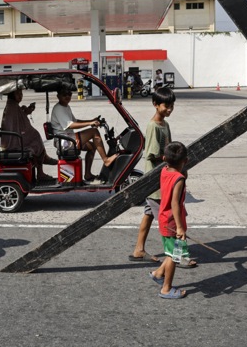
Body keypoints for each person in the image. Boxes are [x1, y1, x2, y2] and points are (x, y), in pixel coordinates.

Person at [129, 87, 196, 267]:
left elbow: (170, 149)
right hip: (157, 181)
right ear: (155, 104)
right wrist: (175, 162)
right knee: (171, 220)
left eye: (171, 106)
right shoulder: (153, 126)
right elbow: (152, 154)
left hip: (161, 179)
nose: (169, 109)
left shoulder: (165, 124)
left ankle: (139, 249)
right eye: (166, 106)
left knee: (149, 214)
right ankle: (178, 256)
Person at [148, 141, 190, 299]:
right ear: (185, 160)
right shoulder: (179, 179)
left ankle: (158, 273)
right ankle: (166, 288)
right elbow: (175, 203)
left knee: (172, 252)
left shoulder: (164, 170)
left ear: (164, 158)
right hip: (173, 223)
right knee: (174, 256)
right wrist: (179, 227)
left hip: (165, 219)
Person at [50, 87, 118, 182]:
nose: (67, 96)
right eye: (64, 94)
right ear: (58, 96)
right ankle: (106, 160)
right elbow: (71, 125)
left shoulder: (66, 107)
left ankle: (87, 174)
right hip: (65, 142)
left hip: (68, 138)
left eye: (69, 94)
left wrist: (91, 120)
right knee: (94, 132)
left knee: (93, 146)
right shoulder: (59, 109)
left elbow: (75, 121)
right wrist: (90, 124)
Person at [1, 89, 57, 180]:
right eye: (17, 93)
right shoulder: (12, 107)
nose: (20, 96)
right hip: (14, 142)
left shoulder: (13, 105)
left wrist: (26, 111)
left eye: (21, 93)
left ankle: (44, 160)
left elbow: (18, 120)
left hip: (15, 137)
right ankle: (41, 171)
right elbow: (16, 125)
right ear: (12, 94)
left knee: (35, 136)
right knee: (35, 140)